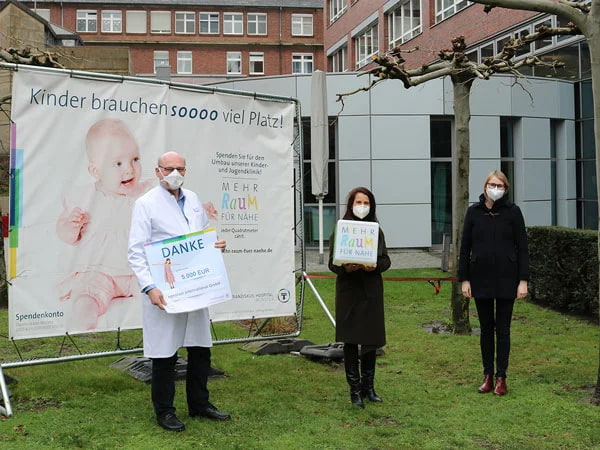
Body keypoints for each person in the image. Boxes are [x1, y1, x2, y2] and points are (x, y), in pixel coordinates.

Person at [128, 151, 230, 432]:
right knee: (165, 353)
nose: (175, 173)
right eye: (169, 168)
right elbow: (136, 252)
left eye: (180, 168)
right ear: (158, 171)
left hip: (195, 287)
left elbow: (202, 235)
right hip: (165, 289)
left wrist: (215, 244)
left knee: (200, 349)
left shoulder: (193, 199)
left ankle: (200, 404)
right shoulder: (145, 204)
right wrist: (149, 287)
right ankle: (165, 411)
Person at [56, 118, 152, 331]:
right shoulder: (85, 197)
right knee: (88, 292)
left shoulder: (147, 193)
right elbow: (65, 234)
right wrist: (71, 225)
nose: (129, 170)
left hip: (139, 269)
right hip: (100, 270)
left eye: (135, 159)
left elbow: (171, 211)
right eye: (118, 163)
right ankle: (84, 315)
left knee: (158, 287)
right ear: (95, 171)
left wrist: (197, 210)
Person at [458, 170, 529, 396]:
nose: (495, 189)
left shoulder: (513, 212)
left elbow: (523, 248)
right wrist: (464, 279)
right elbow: (464, 248)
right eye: (492, 185)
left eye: (500, 186)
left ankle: (501, 377)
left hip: (508, 278)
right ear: (485, 186)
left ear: (505, 189)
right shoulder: (474, 212)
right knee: (486, 329)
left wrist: (523, 280)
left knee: (503, 330)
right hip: (481, 278)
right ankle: (487, 375)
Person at [328, 187, 391, 408]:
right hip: (349, 292)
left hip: (371, 291)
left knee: (370, 340)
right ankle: (354, 390)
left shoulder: (376, 231)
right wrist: (347, 267)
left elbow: (386, 260)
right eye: (358, 202)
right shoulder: (341, 229)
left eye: (366, 203)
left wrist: (374, 266)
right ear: (351, 204)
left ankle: (368, 388)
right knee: (351, 341)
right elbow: (332, 263)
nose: (362, 207)